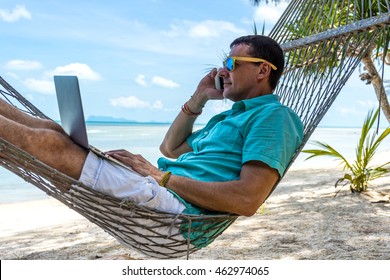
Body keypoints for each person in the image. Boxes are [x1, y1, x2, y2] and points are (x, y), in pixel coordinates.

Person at [0, 35, 302, 247]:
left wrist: (161, 176)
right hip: (162, 194)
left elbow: (248, 200)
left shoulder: (274, 118)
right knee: (51, 130)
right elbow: (169, 148)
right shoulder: (229, 119)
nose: (223, 70)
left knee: (52, 145)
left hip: (178, 216)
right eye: (225, 62)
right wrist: (198, 98)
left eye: (233, 62)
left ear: (263, 70)